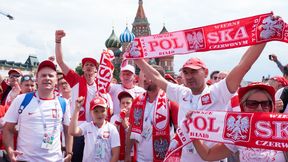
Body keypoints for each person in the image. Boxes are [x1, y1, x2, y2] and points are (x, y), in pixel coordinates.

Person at [133, 43, 267, 161]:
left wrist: (263, 39)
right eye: (185, 72)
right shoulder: (182, 93)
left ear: (205, 72)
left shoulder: (218, 92)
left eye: (194, 72)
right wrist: (137, 59)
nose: (189, 76)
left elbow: (243, 66)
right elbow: (156, 77)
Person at [55, 29, 113, 161]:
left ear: (96, 70)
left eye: (92, 65)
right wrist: (58, 41)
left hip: (97, 129)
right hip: (79, 129)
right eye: (86, 64)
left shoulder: (102, 84)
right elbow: (60, 61)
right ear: (82, 67)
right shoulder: (75, 80)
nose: (89, 67)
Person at [192, 82, 287, 161]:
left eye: (265, 104)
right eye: (252, 104)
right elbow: (209, 155)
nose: (259, 108)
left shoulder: (283, 129)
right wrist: (193, 128)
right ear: (243, 106)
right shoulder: (240, 131)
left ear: (271, 107)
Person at [3, 60, 73, 162]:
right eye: (43, 75)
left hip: (55, 159)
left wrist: (69, 152)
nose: (47, 78)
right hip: (26, 159)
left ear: (56, 80)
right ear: (37, 79)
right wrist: (10, 151)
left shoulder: (63, 103)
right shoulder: (21, 99)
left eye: (50, 75)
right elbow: (7, 129)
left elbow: (68, 131)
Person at [125, 65, 178, 162]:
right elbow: (131, 129)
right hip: (141, 157)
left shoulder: (170, 101)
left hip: (164, 157)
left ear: (159, 79)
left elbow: (179, 130)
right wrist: (127, 153)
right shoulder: (137, 101)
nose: (144, 79)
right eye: (144, 76)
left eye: (149, 76)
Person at [69, 96, 120, 162]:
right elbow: (72, 132)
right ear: (91, 112)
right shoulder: (86, 126)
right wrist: (77, 109)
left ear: (107, 111)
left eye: (102, 111)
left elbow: (115, 154)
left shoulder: (112, 129)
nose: (99, 114)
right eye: (96, 111)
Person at [110, 91, 133, 162]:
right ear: (119, 105)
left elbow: (136, 138)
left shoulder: (136, 118)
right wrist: (119, 120)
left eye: (128, 103)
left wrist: (126, 127)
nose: (125, 105)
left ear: (133, 104)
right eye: (123, 103)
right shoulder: (114, 118)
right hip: (117, 154)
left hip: (131, 154)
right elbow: (111, 134)